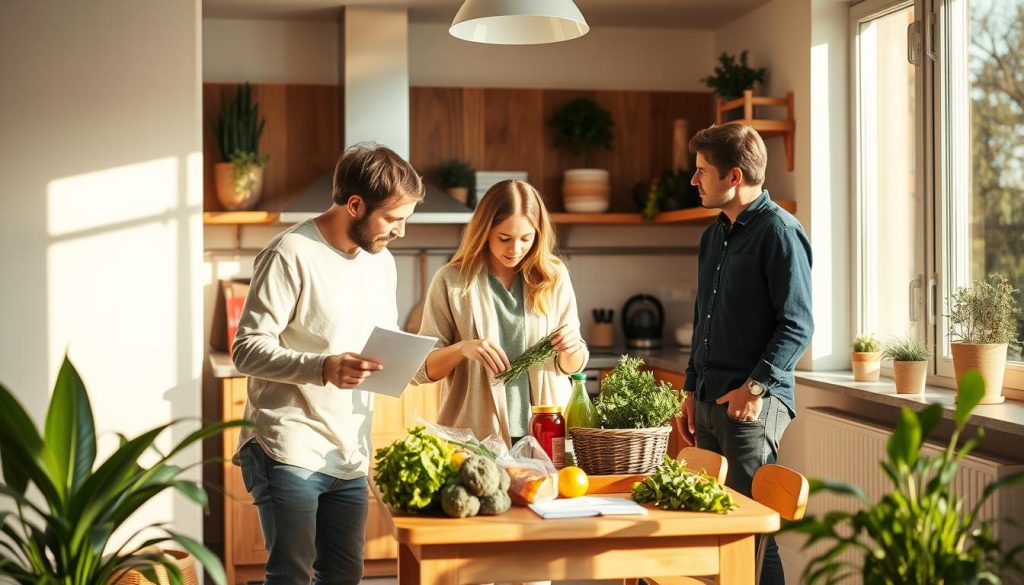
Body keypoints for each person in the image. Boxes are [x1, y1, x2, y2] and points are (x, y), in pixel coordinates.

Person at [231, 143, 424, 585]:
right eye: (394, 219)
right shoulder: (291, 252)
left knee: (344, 576)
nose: (401, 232)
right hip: (288, 447)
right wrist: (323, 367)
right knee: (292, 577)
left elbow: (379, 344)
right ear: (355, 204)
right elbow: (246, 348)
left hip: (349, 450)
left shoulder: (382, 263)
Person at [677, 123, 813, 585]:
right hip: (711, 402)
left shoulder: (780, 232)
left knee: (751, 534)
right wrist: (691, 388)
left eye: (701, 172)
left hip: (751, 406)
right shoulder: (713, 237)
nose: (694, 181)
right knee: (718, 529)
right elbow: (703, 320)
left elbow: (797, 325)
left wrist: (753, 387)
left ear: (733, 176)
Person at [413, 179, 589, 447]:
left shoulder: (553, 276)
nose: (515, 249)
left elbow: (572, 365)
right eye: (504, 238)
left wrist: (570, 347)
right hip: (476, 438)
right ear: (484, 231)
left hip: (545, 434)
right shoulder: (452, 280)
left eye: (526, 239)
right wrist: (463, 349)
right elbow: (422, 370)